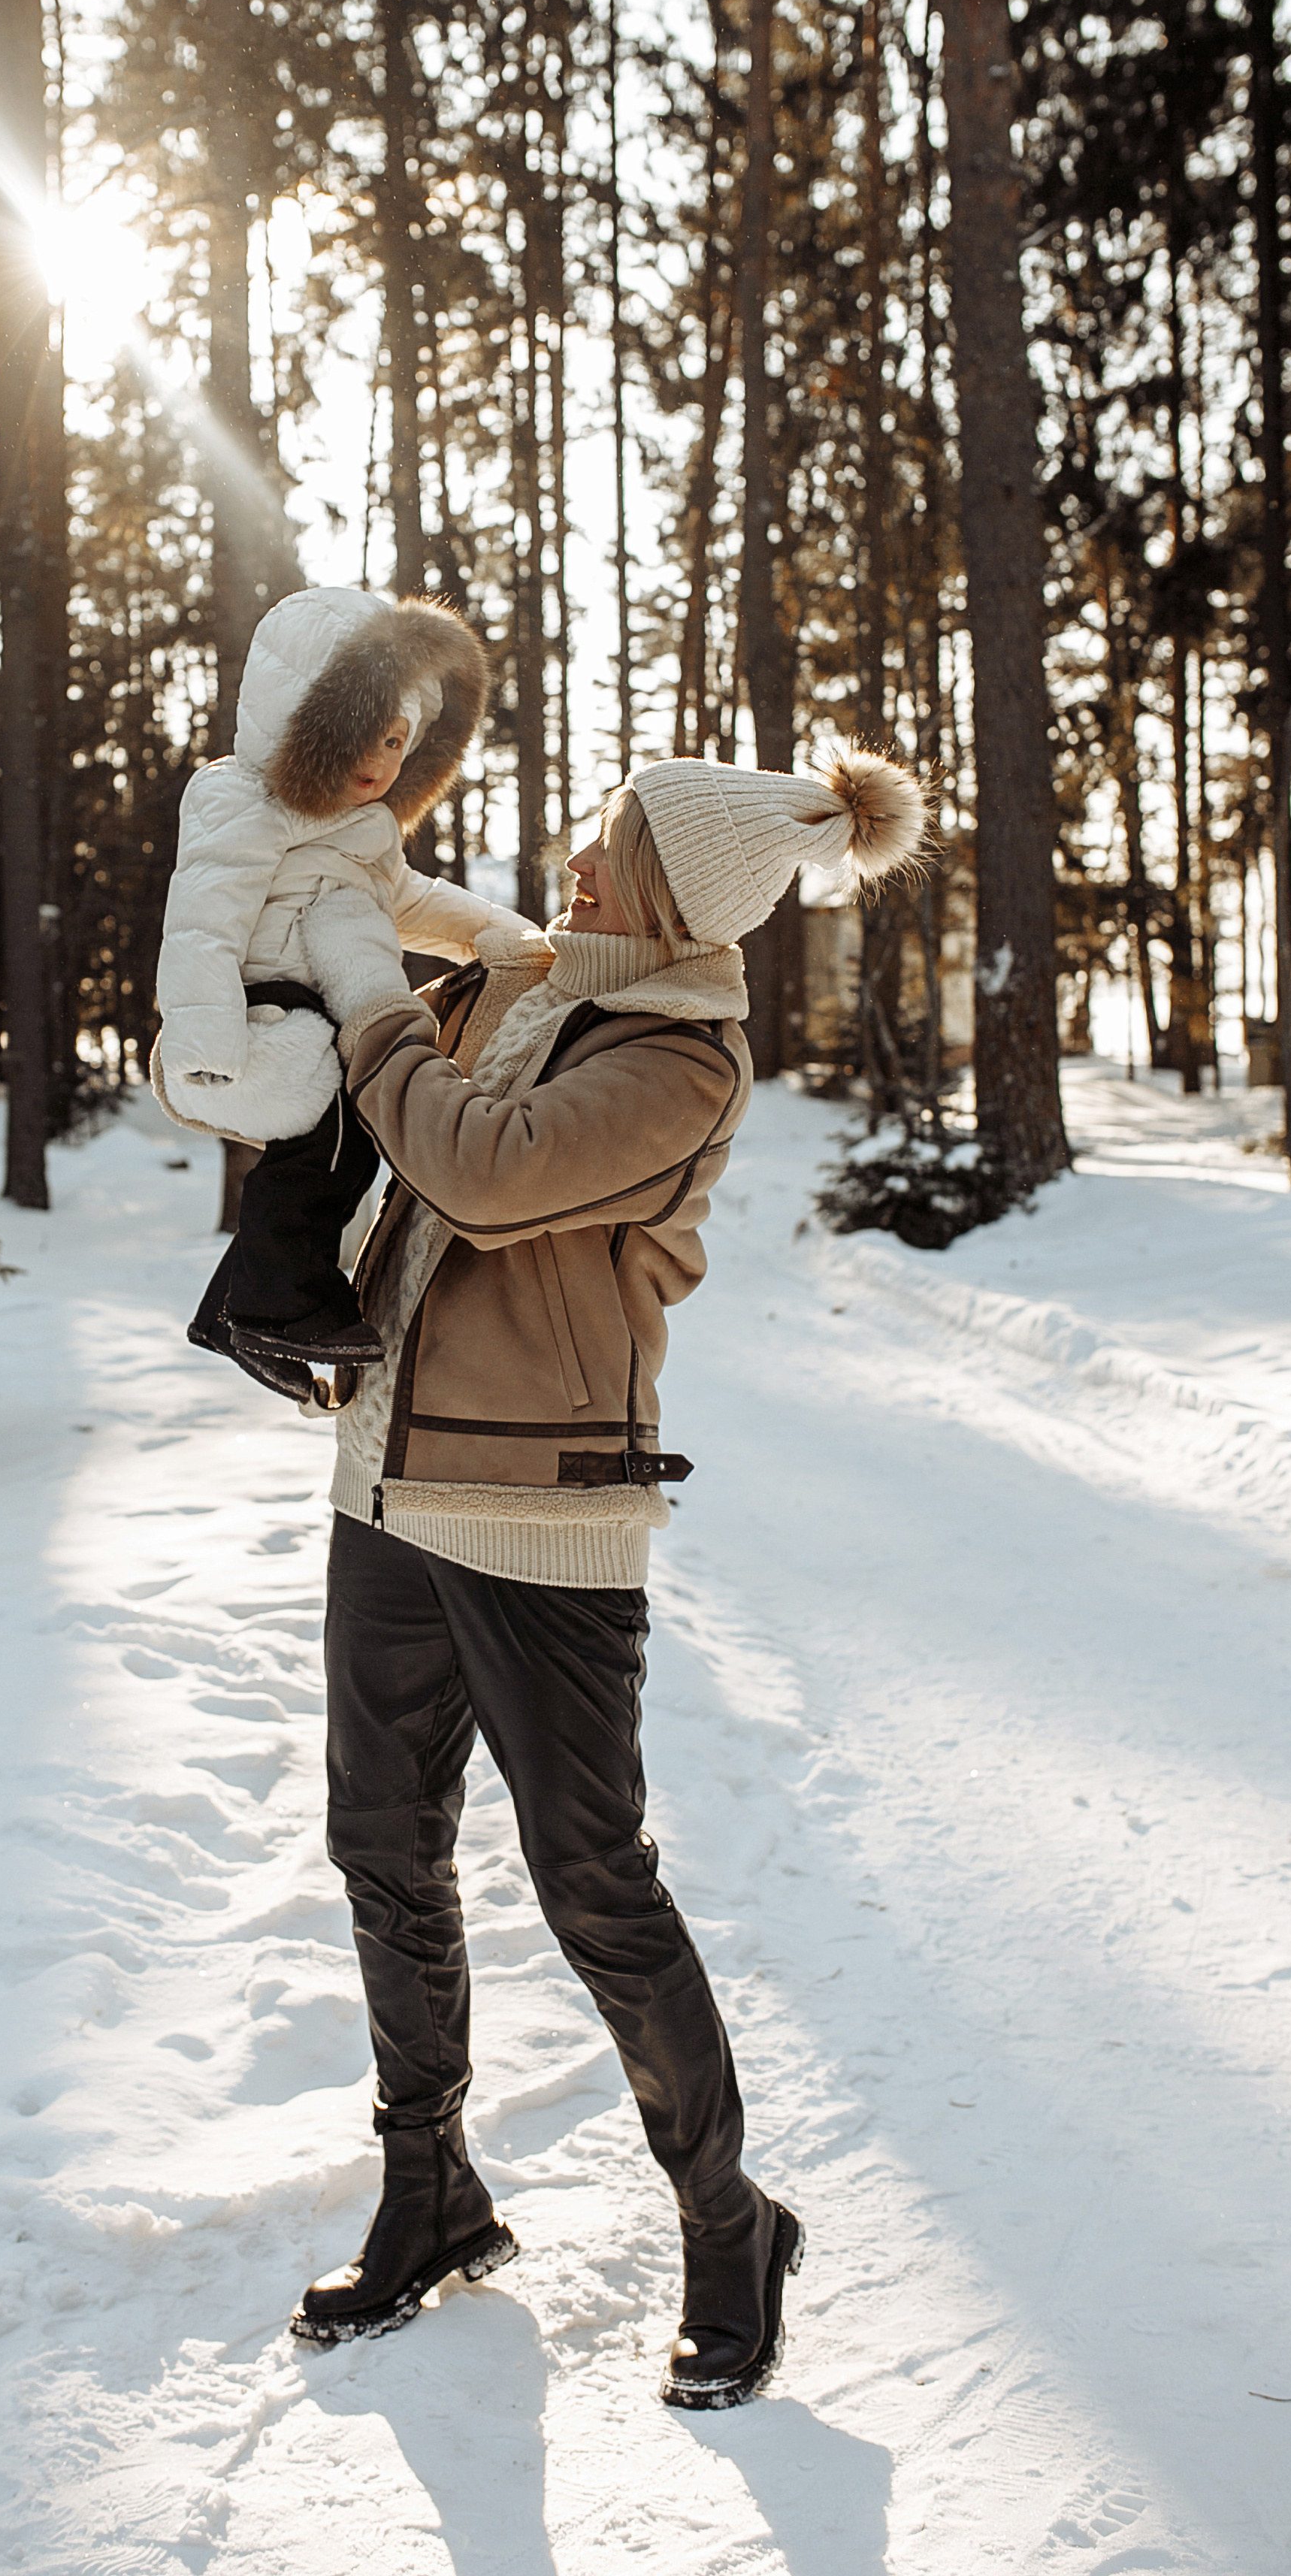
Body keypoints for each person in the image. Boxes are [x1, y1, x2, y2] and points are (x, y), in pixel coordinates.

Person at [284, 746, 927, 2405]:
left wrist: (370, 1006)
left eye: (605, 850)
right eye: (582, 839)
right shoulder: (544, 979)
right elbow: (445, 917)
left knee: (590, 1882)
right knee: (380, 1848)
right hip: (387, 1477)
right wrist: (332, 858)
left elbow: (481, 1173)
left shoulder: (678, 1060)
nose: (572, 864)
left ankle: (729, 2226)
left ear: (666, 893)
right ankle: (430, 2193)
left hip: (541, 1519)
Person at [153, 586, 542, 1386]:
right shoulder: (239, 801)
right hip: (257, 1019)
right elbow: (202, 922)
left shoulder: (362, 830)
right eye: (363, 737)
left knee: (351, 1139)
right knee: (334, 1139)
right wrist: (203, 1043)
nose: (382, 762)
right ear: (310, 727)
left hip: (312, 1026)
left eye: (399, 742)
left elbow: (405, 903)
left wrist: (502, 936)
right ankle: (273, 1307)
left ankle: (240, 1310)